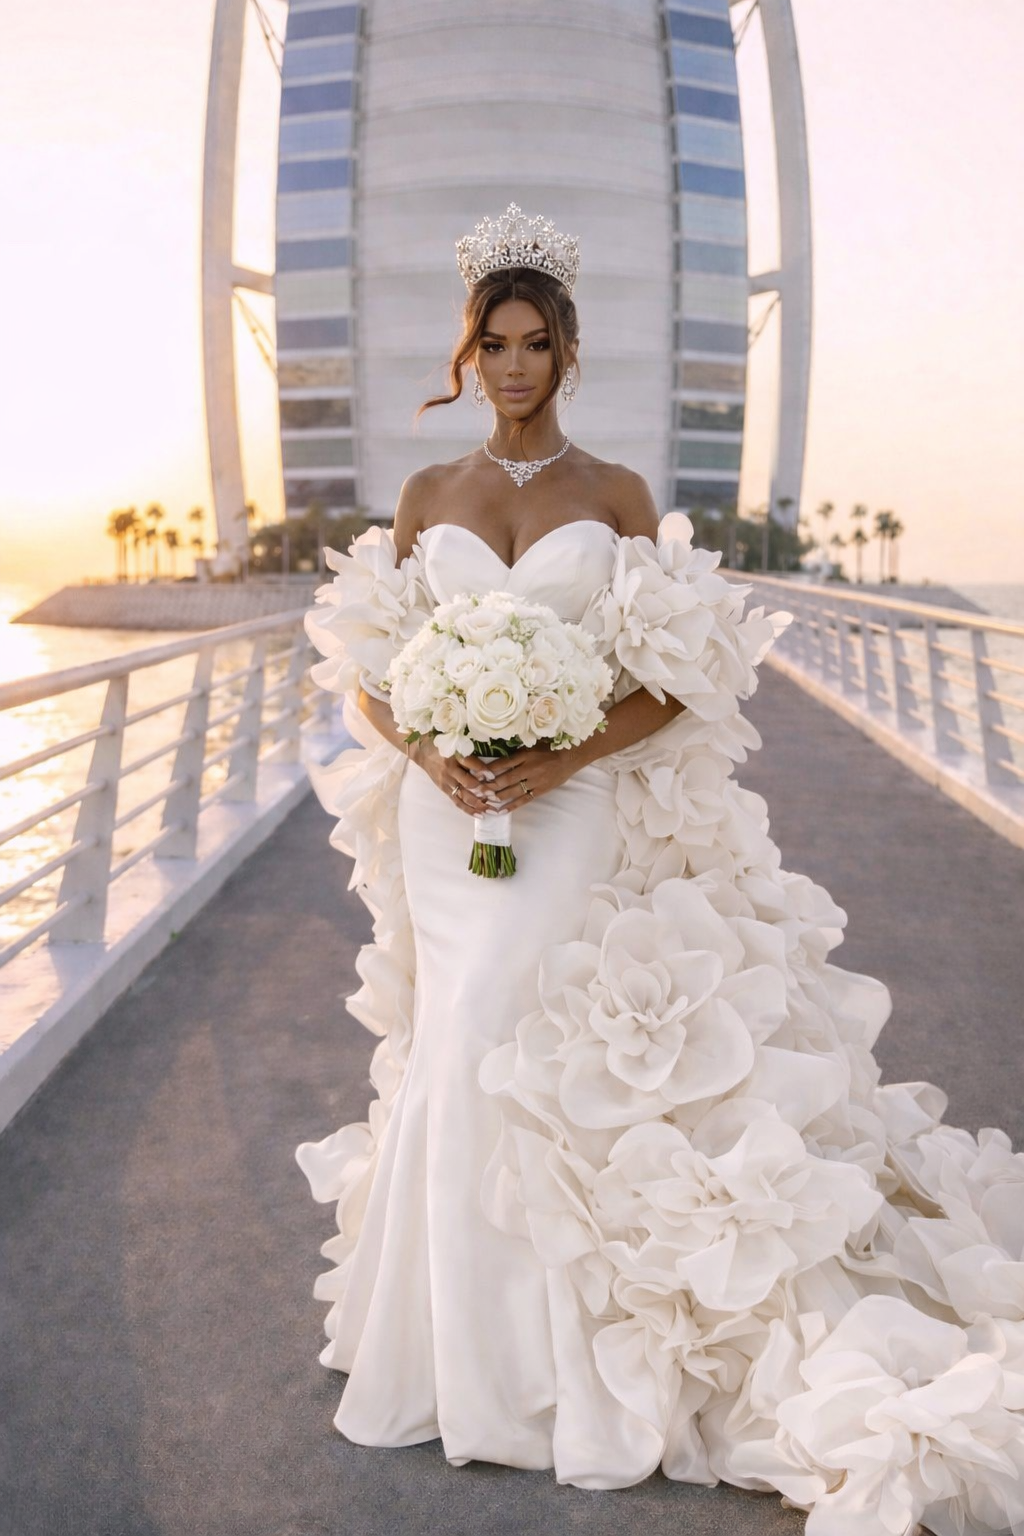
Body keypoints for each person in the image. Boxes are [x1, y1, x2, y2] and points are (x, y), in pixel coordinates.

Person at [296, 204, 1024, 1536]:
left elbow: (683, 684)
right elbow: (367, 680)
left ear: (569, 351)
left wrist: (565, 758)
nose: (513, 365)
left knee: (515, 1036)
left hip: (567, 807)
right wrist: (433, 751)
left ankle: (547, 1371)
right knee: (455, 1043)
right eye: (493, 343)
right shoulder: (425, 498)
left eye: (535, 343)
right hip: (445, 811)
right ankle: (453, 1365)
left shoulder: (616, 495)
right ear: (469, 353)